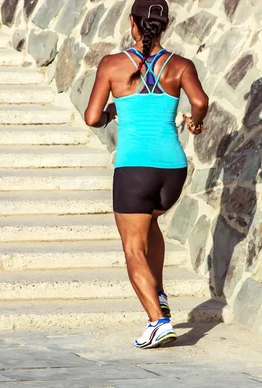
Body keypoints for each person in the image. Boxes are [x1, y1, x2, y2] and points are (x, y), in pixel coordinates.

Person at [84, 0, 209, 349]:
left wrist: (112, 112)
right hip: (172, 170)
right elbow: (200, 101)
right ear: (164, 26)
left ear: (133, 24)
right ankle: (160, 295)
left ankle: (158, 322)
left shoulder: (112, 65)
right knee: (151, 223)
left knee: (133, 249)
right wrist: (194, 124)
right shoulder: (181, 65)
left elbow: (92, 118)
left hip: (135, 169)